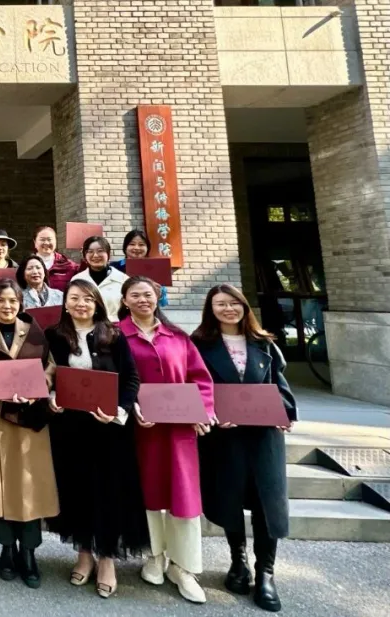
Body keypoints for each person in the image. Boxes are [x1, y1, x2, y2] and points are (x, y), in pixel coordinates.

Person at [192, 284, 296, 613]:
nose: (228, 309)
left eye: (234, 303)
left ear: (244, 305)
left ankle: (266, 572)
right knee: (229, 498)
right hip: (224, 435)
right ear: (211, 309)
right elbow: (195, 386)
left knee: (268, 503)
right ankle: (238, 562)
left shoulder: (263, 342)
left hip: (264, 435)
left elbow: (280, 385)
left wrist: (286, 413)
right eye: (220, 304)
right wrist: (209, 413)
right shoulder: (200, 344)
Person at [44, 280, 149, 599]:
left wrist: (120, 410)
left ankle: (106, 559)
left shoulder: (113, 334)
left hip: (108, 430)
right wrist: (51, 397)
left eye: (87, 299)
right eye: (74, 298)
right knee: (76, 491)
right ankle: (84, 554)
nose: (81, 304)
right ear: (65, 303)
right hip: (70, 430)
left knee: (108, 493)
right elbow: (48, 376)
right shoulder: (54, 336)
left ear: (97, 303)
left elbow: (131, 379)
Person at [118, 276, 215, 604]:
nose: (142, 300)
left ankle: (184, 567)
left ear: (158, 297)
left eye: (148, 294)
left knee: (182, 497)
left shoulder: (178, 337)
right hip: (141, 430)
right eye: (135, 295)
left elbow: (200, 379)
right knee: (149, 495)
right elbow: (114, 379)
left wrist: (203, 411)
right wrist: (130, 406)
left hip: (178, 431)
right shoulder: (116, 335)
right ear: (125, 300)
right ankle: (154, 555)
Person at [0, 279, 59, 590]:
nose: (7, 306)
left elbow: (50, 368)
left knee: (29, 487)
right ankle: (6, 549)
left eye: (12, 301)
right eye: (1, 301)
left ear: (21, 303)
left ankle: (29, 552)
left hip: (29, 421)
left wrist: (37, 389)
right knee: (0, 487)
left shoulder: (34, 332)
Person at [70, 236, 128, 322]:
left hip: (115, 327)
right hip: (86, 326)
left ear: (108, 254)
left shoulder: (123, 279)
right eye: (90, 251)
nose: (95, 255)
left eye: (100, 251)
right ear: (85, 255)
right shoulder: (77, 280)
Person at [111, 229, 169, 307]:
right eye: (132, 244)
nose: (137, 248)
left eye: (141, 244)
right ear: (125, 247)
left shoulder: (155, 268)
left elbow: (163, 303)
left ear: (147, 248)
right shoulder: (114, 267)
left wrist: (160, 294)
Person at [32, 226, 78, 291]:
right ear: (35, 242)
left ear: (56, 241)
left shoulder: (69, 266)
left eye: (49, 239)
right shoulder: (26, 266)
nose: (46, 243)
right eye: (42, 239)